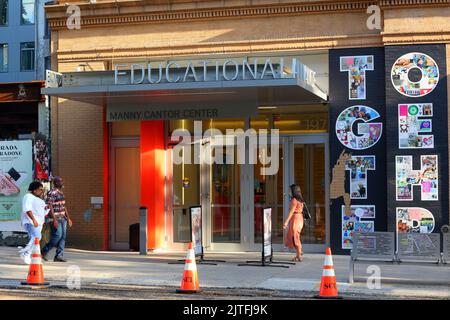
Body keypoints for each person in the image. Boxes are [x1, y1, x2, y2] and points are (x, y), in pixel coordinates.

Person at [41, 176, 73, 262]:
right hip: (56, 218)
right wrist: (54, 219)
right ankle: (43, 252)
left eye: (62, 181)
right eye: (60, 181)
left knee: (63, 237)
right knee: (57, 236)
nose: (62, 183)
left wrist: (68, 218)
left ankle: (59, 256)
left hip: (63, 218)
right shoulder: (52, 192)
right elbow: (49, 205)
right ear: (55, 183)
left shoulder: (61, 193)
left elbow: (63, 206)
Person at [19, 181, 49, 264]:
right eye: (40, 189)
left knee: (36, 239)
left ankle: (31, 256)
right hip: (30, 222)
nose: (42, 191)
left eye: (42, 189)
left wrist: (47, 208)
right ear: (34, 190)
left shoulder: (39, 200)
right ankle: (25, 253)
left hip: (39, 223)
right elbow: (27, 209)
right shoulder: (28, 196)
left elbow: (43, 213)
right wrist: (33, 220)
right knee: (37, 237)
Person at [283, 184, 305, 262]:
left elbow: (291, 212)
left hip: (295, 219)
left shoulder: (294, 200)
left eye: (290, 190)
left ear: (293, 191)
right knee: (295, 237)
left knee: (295, 237)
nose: (289, 192)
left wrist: (286, 222)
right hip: (300, 218)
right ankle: (298, 254)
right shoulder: (300, 200)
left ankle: (299, 255)